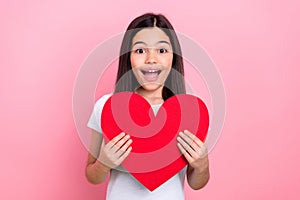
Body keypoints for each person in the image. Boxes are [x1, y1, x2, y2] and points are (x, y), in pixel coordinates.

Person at [85, 13, 209, 200]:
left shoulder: (189, 113)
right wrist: (104, 163)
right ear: (129, 57)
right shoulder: (106, 107)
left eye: (162, 50)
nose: (151, 59)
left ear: (173, 57)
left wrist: (202, 165)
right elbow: (91, 175)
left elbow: (196, 183)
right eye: (140, 51)